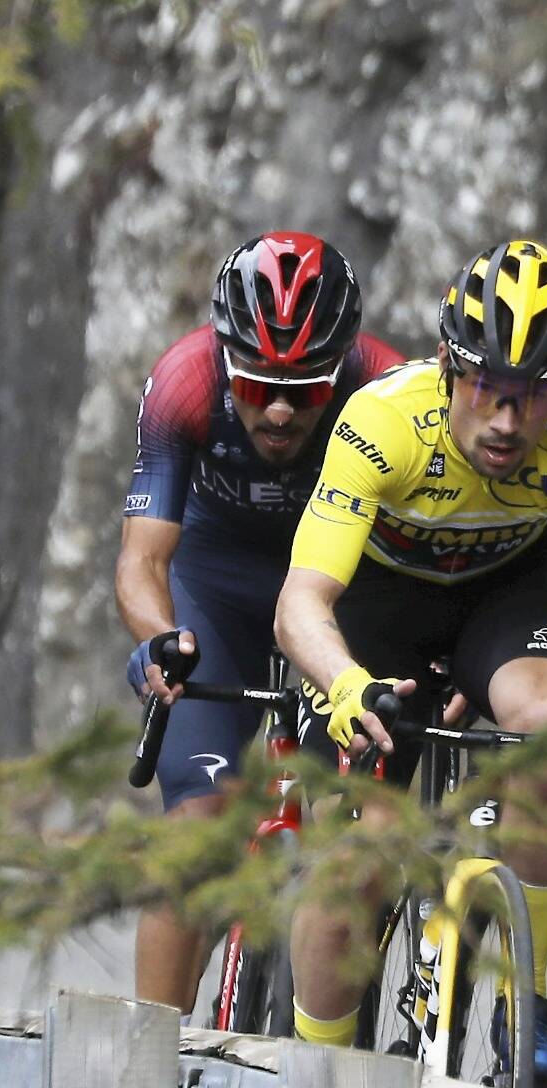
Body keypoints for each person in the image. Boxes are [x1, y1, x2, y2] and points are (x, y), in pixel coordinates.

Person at [273, 237, 547, 1088]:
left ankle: (526, 998)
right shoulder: (383, 421)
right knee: (355, 864)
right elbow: (301, 605)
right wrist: (349, 686)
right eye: (490, 389)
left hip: (504, 595)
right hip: (378, 607)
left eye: (537, 395)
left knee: (544, 725)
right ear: (446, 365)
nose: (509, 420)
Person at [118, 231, 406, 1012]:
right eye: (255, 384)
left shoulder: (388, 387)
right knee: (198, 838)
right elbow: (144, 560)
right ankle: (146, 1065)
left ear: (343, 365)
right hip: (218, 580)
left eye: (308, 387)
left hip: (338, 587)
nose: (279, 409)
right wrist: (159, 639)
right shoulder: (183, 380)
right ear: (223, 360)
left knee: (355, 825)